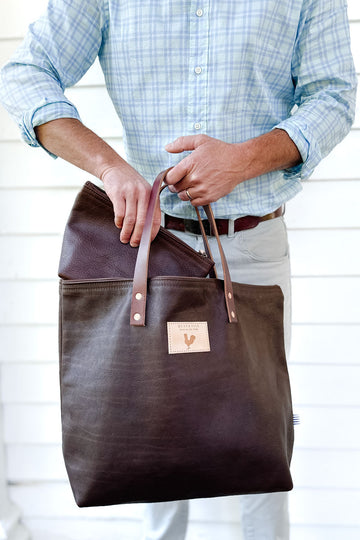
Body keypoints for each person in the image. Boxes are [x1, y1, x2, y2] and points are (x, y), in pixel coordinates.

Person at [0, 1, 356, 539]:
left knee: (258, 430)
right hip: (147, 247)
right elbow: (26, 75)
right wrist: (108, 167)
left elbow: (333, 96)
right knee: (153, 427)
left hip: (252, 245)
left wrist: (242, 159)